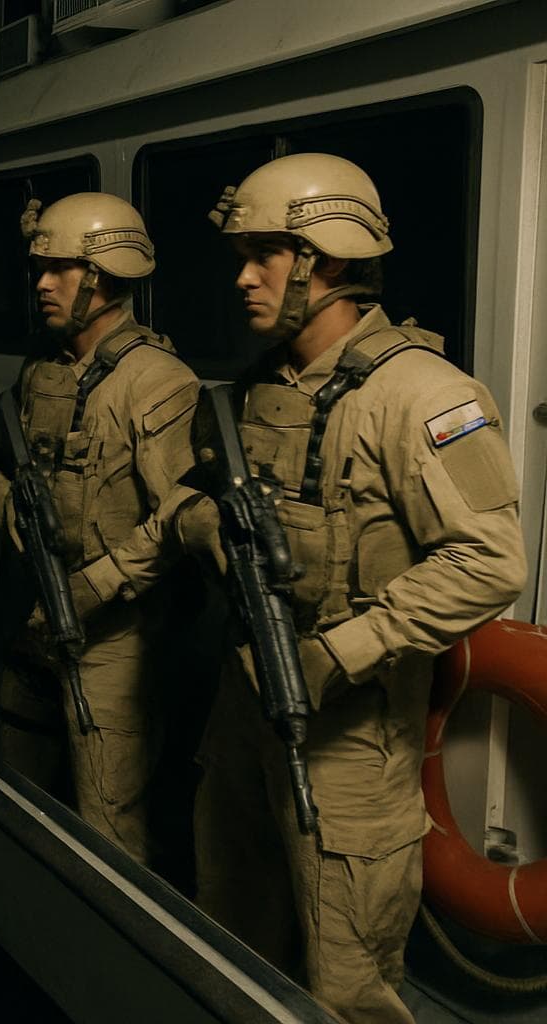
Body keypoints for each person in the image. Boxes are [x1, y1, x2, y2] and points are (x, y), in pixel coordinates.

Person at [175, 153, 525, 1023]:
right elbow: (188, 496)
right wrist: (207, 527)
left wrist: (343, 650)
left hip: (351, 740)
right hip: (244, 700)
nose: (243, 276)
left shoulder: (423, 393)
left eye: (265, 254)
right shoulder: (258, 389)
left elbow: (491, 558)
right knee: (230, 931)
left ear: (327, 260)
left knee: (348, 984)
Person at [0, 192, 199, 867]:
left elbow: (179, 522)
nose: (41, 283)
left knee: (108, 827)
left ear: (101, 277)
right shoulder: (42, 371)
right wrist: (2, 503)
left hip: (112, 642)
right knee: (20, 795)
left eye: (60, 269)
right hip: (33, 616)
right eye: (40, 268)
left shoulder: (157, 383)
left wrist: (97, 586)